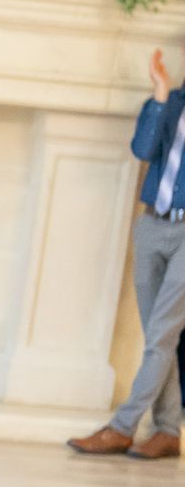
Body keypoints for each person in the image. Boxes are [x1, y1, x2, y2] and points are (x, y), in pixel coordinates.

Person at [68, 45, 185, 460]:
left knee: (163, 334)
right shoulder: (169, 104)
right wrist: (159, 94)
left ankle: (122, 427)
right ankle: (169, 431)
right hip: (153, 222)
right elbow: (143, 150)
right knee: (160, 336)